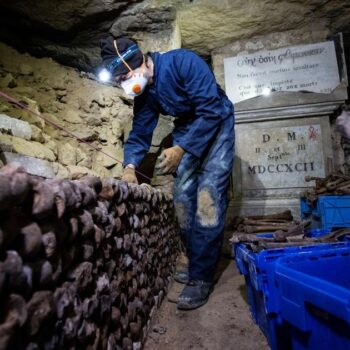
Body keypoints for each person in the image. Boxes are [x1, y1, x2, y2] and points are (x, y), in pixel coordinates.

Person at [100, 36, 235, 310]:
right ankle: (197, 260)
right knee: (183, 198)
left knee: (208, 196)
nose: (126, 84)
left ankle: (201, 278)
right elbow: (140, 133)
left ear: (139, 63)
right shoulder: (146, 94)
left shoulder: (183, 62)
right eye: (120, 81)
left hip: (216, 122)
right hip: (186, 127)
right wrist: (129, 168)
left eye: (125, 76)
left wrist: (180, 149)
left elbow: (210, 109)